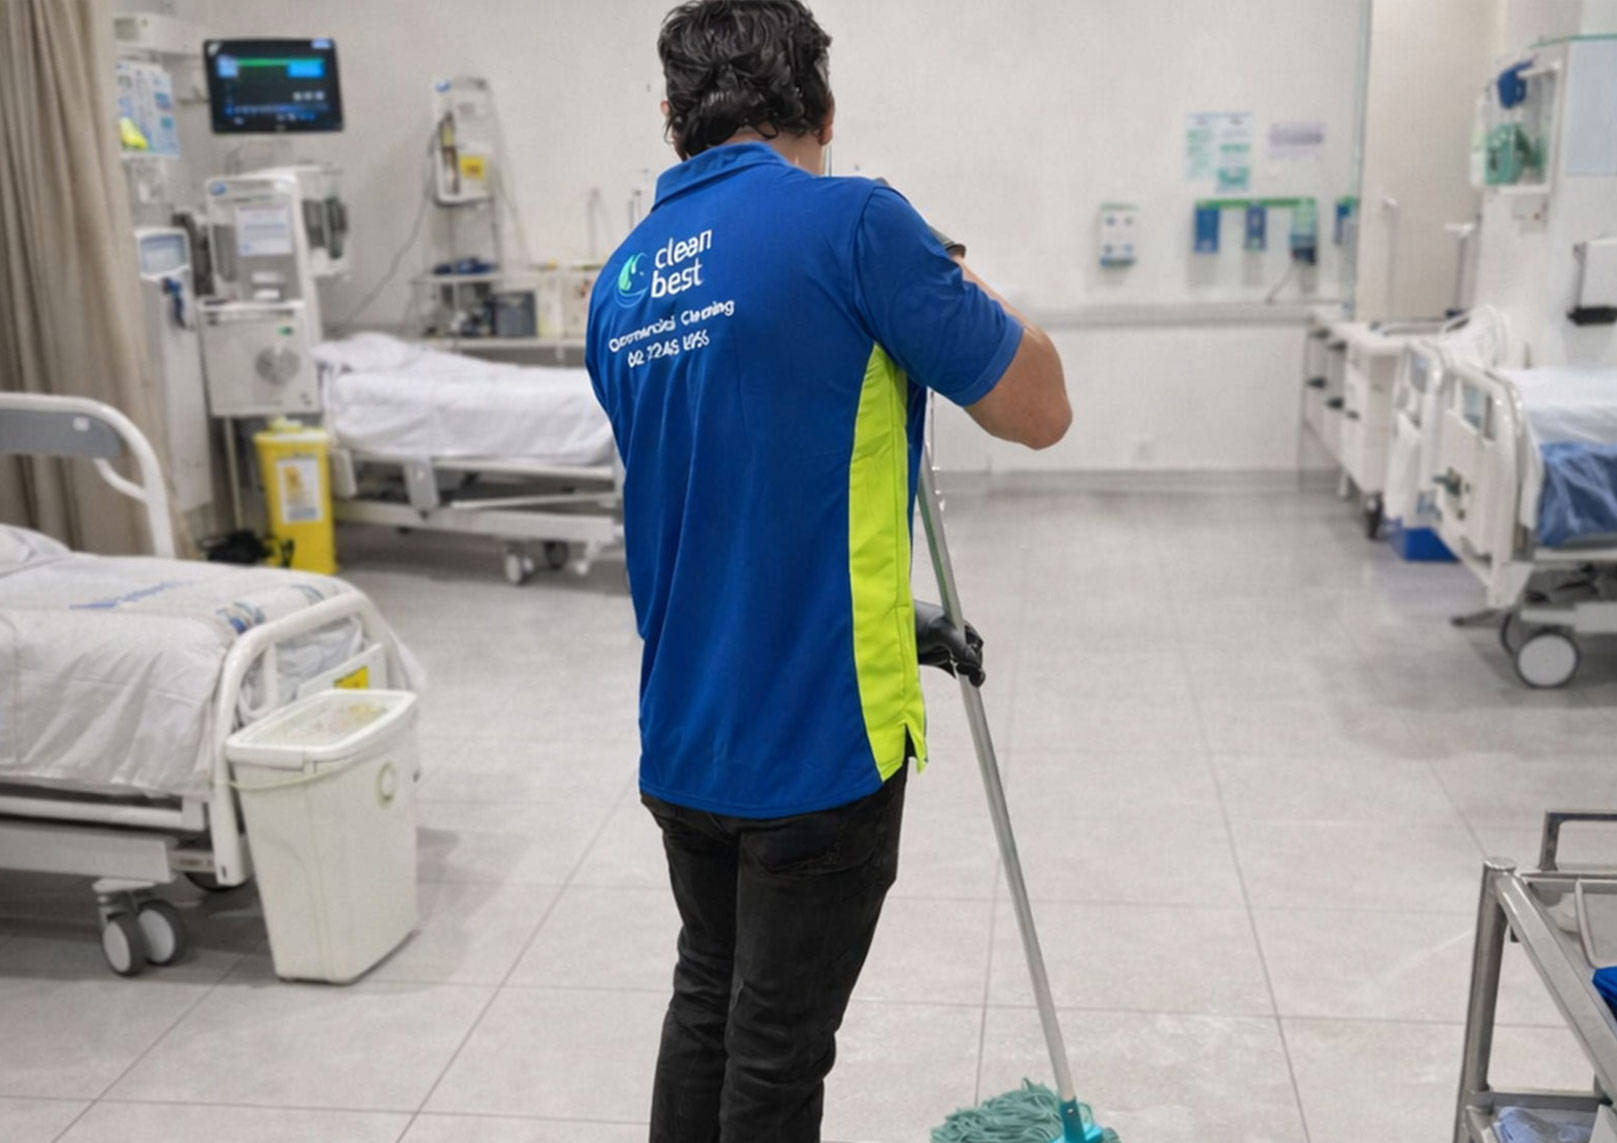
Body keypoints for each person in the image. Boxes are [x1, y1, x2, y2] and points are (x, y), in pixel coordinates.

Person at [585, 2, 1070, 1139]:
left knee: (708, 998)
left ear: (671, 119)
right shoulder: (858, 226)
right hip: (818, 748)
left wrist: (889, 611)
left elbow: (736, 503)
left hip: (683, 736)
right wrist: (956, 280)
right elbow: (1039, 411)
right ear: (825, 107)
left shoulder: (621, 284)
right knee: (777, 1048)